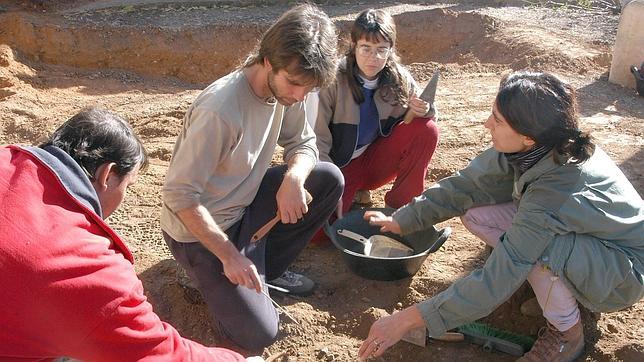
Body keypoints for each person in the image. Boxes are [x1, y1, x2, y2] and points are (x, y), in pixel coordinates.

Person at [358, 72, 644, 361]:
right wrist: (406, 218)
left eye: (497, 119)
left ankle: (566, 333)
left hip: (624, 271)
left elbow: (500, 276)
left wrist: (404, 320)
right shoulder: (537, 146)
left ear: (528, 137)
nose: (486, 124)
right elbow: (467, 184)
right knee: (477, 214)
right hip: (588, 243)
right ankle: (553, 285)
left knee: (534, 251)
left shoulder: (553, 192)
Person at [160, 4, 343, 351]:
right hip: (198, 233)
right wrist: (229, 256)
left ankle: (263, 272)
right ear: (268, 61)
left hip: (245, 206)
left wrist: (294, 178)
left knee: (327, 178)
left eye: (308, 88)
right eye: (294, 84)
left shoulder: (293, 85)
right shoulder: (221, 110)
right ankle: (223, 277)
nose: (300, 96)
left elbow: (303, 143)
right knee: (259, 334)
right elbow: (180, 196)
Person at [0, 108, 249, 361]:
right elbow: (162, 355)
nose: (124, 196)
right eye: (127, 186)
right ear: (107, 175)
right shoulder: (87, 267)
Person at [314, 8, 439, 217]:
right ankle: (352, 193)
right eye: (366, 48)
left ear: (391, 49)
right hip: (339, 166)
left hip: (376, 162)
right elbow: (315, 138)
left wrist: (426, 110)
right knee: (320, 233)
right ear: (354, 46)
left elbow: (426, 118)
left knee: (427, 129)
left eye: (382, 49)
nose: (374, 58)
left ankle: (403, 210)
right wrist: (327, 182)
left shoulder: (398, 77)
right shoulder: (333, 79)